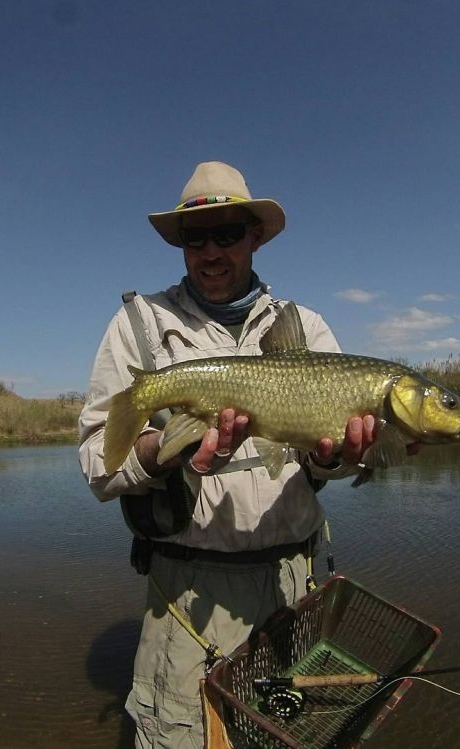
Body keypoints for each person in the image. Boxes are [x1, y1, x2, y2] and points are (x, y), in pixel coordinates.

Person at [78, 161, 380, 749]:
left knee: (286, 729)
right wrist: (168, 447)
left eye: (227, 234)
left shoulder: (306, 327)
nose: (211, 251)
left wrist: (335, 458)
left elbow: (329, 462)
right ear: (181, 244)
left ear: (255, 237)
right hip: (186, 599)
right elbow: (99, 465)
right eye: (196, 237)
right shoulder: (139, 325)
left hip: (294, 587)